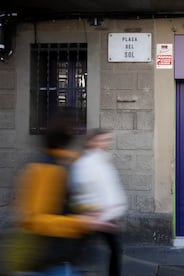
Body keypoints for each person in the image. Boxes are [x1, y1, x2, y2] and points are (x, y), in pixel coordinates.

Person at [4, 111, 115, 275]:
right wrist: (81, 222)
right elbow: (35, 220)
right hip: (42, 260)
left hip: (62, 257)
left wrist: (88, 209)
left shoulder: (65, 162)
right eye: (74, 129)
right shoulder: (45, 167)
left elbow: (67, 201)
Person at [70, 128, 128, 276]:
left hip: (107, 216)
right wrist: (92, 212)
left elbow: (110, 188)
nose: (106, 143)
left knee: (114, 249)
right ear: (92, 141)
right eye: (103, 139)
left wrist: (116, 209)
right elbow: (82, 188)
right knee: (81, 251)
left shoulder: (103, 160)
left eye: (107, 140)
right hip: (94, 216)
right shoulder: (86, 163)